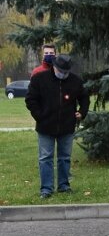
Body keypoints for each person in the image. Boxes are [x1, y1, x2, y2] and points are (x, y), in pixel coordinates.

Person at [25, 55, 89, 199]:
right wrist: (39, 116)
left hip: (67, 126)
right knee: (45, 158)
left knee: (64, 157)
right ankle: (46, 189)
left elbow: (84, 97)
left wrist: (82, 112)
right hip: (45, 126)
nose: (63, 74)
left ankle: (64, 185)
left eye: (66, 72)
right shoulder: (39, 79)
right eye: (60, 71)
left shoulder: (75, 81)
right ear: (54, 67)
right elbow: (30, 99)